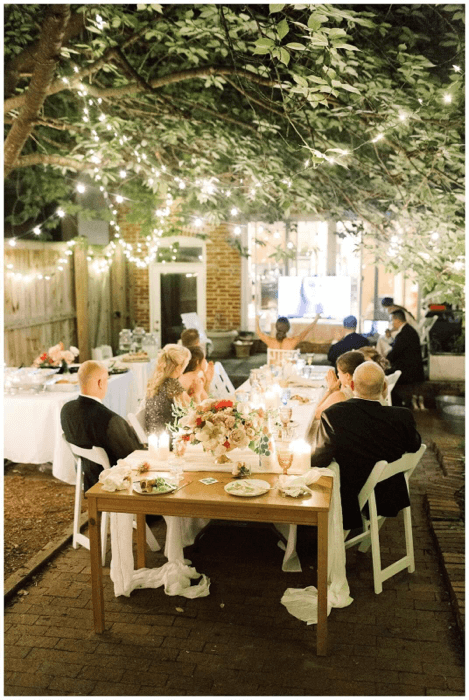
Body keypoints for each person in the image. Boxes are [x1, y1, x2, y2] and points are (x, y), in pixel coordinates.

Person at [310, 361, 422, 530]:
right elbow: (415, 446)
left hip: (348, 500)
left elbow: (319, 460)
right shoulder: (402, 417)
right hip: (388, 495)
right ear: (384, 387)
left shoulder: (334, 415)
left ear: (352, 384)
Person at [60, 360, 143, 491]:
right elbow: (134, 456)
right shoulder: (110, 420)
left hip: (89, 481)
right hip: (115, 485)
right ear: (100, 383)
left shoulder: (66, 410)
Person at [145, 344, 196, 435]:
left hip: (153, 434)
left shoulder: (154, 382)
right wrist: (197, 394)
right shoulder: (173, 385)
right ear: (179, 367)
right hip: (170, 437)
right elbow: (194, 412)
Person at [314, 351, 367, 420]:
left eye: (339, 372)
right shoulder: (367, 388)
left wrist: (330, 390)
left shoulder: (341, 395)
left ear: (347, 376)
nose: (338, 375)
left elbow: (316, 414)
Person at [386, 309, 425, 394]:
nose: (391, 323)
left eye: (392, 320)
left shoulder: (404, 334)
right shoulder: (408, 330)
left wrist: (386, 358)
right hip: (413, 370)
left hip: (408, 372)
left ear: (397, 320)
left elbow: (395, 353)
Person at [255, 313, 320, 350]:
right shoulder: (293, 341)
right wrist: (316, 319)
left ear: (276, 328)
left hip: (273, 372)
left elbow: (258, 332)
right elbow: (307, 330)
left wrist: (257, 320)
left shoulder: (270, 341)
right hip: (288, 372)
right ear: (288, 329)